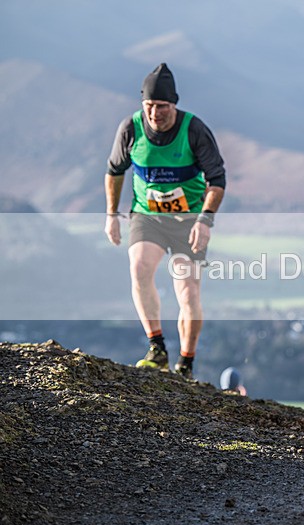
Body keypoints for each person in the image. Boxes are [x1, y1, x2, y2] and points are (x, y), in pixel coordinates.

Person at [104, 63, 226, 380]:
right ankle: (157, 347)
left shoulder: (194, 129)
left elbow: (217, 179)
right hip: (148, 215)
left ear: (174, 104)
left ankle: (185, 362)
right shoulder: (130, 128)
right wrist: (112, 215)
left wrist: (205, 220)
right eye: (149, 106)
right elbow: (115, 172)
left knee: (187, 292)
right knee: (139, 267)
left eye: (162, 107)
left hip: (189, 219)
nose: (155, 114)